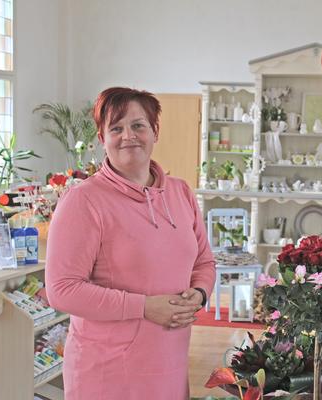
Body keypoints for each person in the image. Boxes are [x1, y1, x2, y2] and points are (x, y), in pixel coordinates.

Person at [45, 87, 216, 399]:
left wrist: (200, 293)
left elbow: (204, 261)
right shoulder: (83, 201)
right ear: (102, 137)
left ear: (155, 132)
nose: (129, 136)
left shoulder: (180, 193)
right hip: (107, 371)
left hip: (170, 362)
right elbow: (62, 289)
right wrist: (145, 307)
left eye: (138, 125)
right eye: (116, 128)